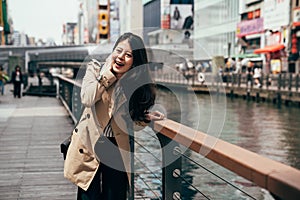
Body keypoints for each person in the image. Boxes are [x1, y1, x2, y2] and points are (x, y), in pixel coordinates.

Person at [64, 32, 165, 200]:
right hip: (90, 143)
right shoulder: (95, 69)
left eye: (128, 55)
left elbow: (130, 123)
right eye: (119, 51)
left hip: (116, 146)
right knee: (89, 195)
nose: (121, 57)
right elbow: (87, 98)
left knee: (115, 196)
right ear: (112, 51)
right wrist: (108, 76)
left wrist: (144, 117)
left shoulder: (133, 83)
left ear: (135, 61)